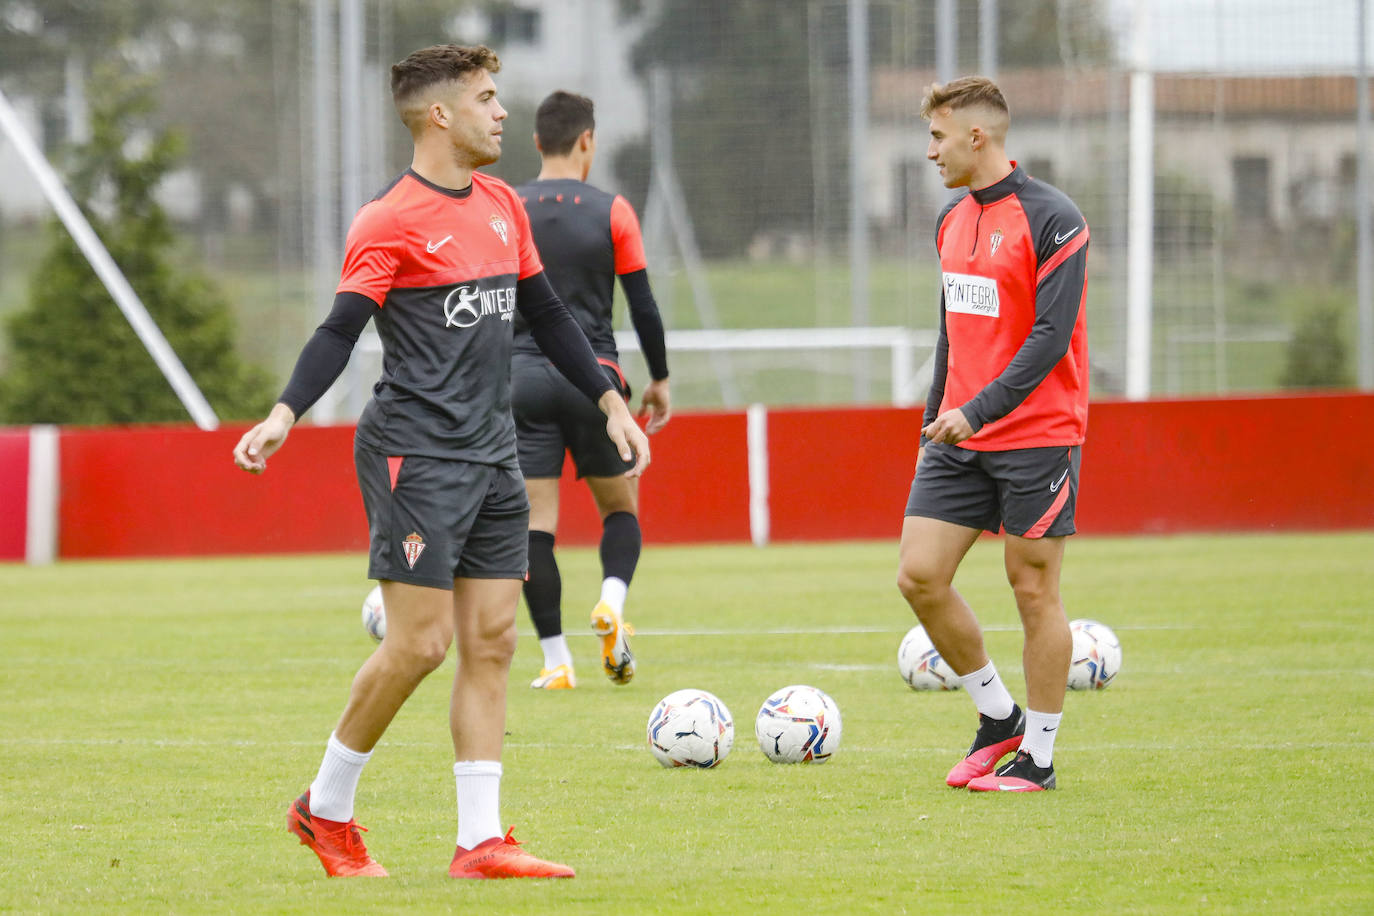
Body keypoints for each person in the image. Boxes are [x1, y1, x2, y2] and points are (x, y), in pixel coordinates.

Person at [232, 44, 650, 879]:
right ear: (440, 115)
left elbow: (551, 316)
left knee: (492, 641)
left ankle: (480, 840)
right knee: (419, 647)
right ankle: (325, 809)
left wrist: (609, 398)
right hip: (414, 454)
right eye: (488, 100)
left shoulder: (501, 203)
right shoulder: (389, 218)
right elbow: (339, 330)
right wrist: (285, 410)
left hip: (494, 451)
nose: (503, 114)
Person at [896, 76, 1090, 793]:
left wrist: (977, 411)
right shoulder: (950, 221)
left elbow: (1049, 338)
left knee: (1033, 590)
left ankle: (1036, 758)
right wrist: (935, 417)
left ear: (978, 137)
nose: (929, 152)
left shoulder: (1055, 219)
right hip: (957, 433)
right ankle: (997, 716)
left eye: (938, 137)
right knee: (919, 576)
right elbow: (951, 328)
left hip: (1037, 434)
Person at [510, 90, 670, 691]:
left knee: (534, 528)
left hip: (520, 380)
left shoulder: (509, 208)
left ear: (534, 143)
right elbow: (644, 306)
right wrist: (658, 378)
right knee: (619, 510)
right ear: (588, 142)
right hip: (594, 380)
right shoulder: (613, 210)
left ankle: (556, 661)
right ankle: (610, 602)